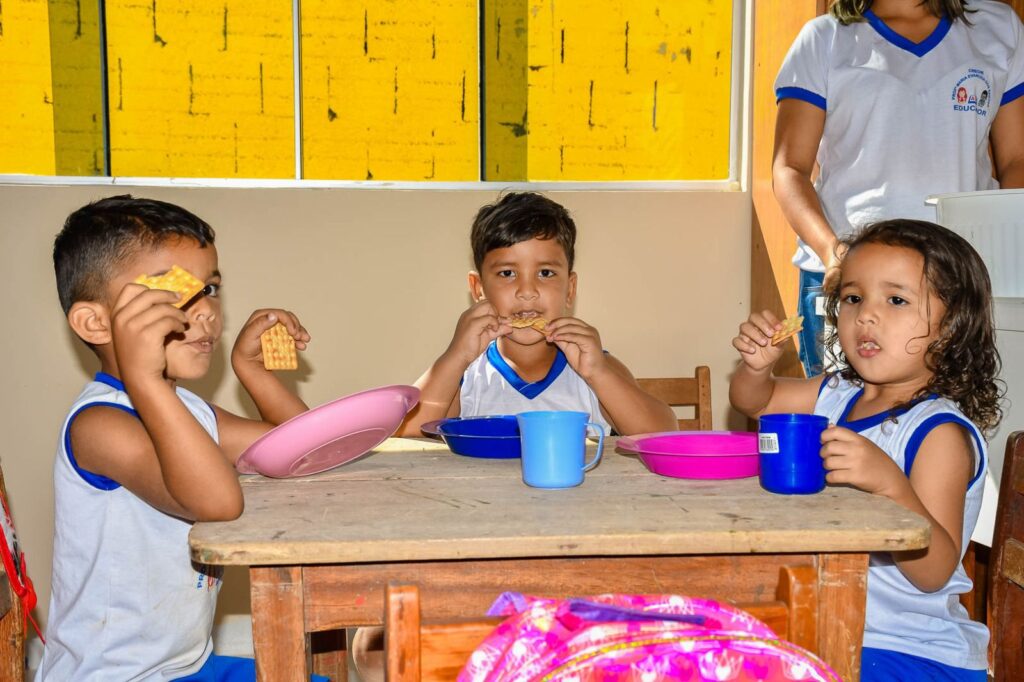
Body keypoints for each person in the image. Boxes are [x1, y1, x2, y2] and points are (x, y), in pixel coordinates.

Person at [37, 195, 326, 681]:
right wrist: (145, 379)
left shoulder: (187, 408)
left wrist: (253, 371)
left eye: (209, 288)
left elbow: (307, 450)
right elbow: (217, 503)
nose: (206, 311)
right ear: (96, 322)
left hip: (185, 665)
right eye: (172, 292)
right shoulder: (99, 425)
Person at [730, 219, 1001, 681]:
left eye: (896, 300)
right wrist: (756, 370)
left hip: (910, 649)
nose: (866, 316)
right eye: (853, 298)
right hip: (832, 621)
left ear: (952, 327)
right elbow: (756, 403)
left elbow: (934, 572)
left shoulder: (937, 433)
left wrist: (891, 485)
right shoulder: (836, 393)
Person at [773, 0, 1024, 375]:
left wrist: (1003, 256)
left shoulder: (999, 28)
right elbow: (789, 169)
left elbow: (1016, 160)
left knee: (959, 409)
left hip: (959, 277)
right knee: (842, 409)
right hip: (853, 279)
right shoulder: (824, 38)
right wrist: (834, 254)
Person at [399, 191, 677, 437]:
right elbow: (406, 433)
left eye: (545, 273)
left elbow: (662, 434)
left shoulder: (594, 367)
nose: (527, 291)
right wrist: (456, 356)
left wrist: (598, 373)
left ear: (570, 289)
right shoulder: (465, 375)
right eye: (507, 273)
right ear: (478, 288)